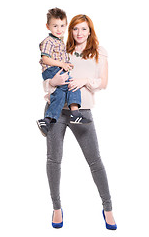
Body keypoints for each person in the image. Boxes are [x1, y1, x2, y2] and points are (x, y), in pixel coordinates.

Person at [42, 14, 117, 230]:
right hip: (56, 111)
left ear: (90, 30)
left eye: (83, 29)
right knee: (53, 160)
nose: (79, 33)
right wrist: (51, 82)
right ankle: (57, 208)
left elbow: (103, 82)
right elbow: (47, 80)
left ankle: (108, 208)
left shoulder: (98, 53)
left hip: (81, 112)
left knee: (95, 161)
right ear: (70, 31)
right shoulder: (61, 50)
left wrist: (85, 81)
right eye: (75, 29)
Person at [37, 8, 91, 137]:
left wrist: (66, 63)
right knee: (72, 84)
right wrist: (62, 65)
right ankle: (75, 113)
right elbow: (45, 58)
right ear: (48, 26)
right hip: (52, 70)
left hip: (57, 69)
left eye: (62, 26)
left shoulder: (60, 42)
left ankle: (47, 120)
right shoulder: (49, 41)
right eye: (55, 26)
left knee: (60, 95)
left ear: (66, 26)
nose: (59, 29)